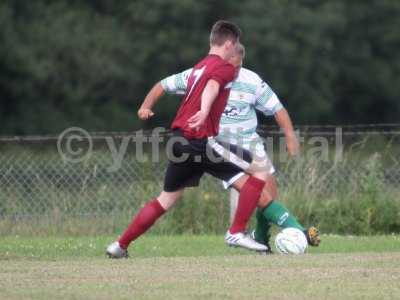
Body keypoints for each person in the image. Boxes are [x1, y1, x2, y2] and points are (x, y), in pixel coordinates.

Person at [107, 20, 270, 258]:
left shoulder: (198, 68)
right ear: (228, 44)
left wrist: (146, 105)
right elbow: (212, 88)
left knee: (166, 199)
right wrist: (205, 111)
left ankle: (119, 246)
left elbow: (179, 85)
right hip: (200, 140)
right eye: (235, 45)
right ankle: (236, 231)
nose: (236, 50)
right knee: (260, 170)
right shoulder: (223, 67)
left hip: (179, 141)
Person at [136, 43, 320, 252]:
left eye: (238, 67)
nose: (234, 71)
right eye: (231, 66)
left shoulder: (252, 81)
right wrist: (146, 105)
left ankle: (260, 239)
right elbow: (163, 84)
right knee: (264, 198)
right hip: (220, 147)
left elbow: (277, 109)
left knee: (270, 196)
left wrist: (289, 136)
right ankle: (299, 231)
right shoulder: (200, 75)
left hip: (251, 145)